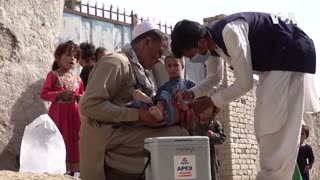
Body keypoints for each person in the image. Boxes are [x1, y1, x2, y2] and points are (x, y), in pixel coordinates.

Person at [170, 12, 318, 180]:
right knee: (263, 124)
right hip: (275, 63)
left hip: (290, 53)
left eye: (190, 55)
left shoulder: (229, 33)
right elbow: (214, 79)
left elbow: (244, 84)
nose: (192, 59)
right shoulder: (212, 46)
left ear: (200, 42)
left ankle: (276, 176)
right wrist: (190, 93)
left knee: (273, 124)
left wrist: (207, 103)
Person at [78, 21, 193, 180]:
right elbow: (88, 106)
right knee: (178, 137)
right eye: (158, 53)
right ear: (147, 42)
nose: (159, 59)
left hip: (123, 133)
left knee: (182, 133)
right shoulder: (116, 62)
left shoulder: (140, 71)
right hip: (106, 138)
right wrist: (137, 115)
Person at [40, 40, 84, 175]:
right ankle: (58, 171)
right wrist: (59, 94)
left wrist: (81, 98)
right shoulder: (53, 75)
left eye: (75, 56)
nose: (73, 59)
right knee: (60, 140)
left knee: (74, 140)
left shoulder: (78, 79)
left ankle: (73, 171)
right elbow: (44, 94)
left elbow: (82, 94)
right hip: (59, 115)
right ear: (58, 58)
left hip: (75, 115)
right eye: (68, 55)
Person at [131, 54, 196, 127]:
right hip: (165, 116)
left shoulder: (190, 84)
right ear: (166, 68)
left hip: (180, 115)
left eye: (176, 65)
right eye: (169, 66)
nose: (172, 68)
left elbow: (195, 103)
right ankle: (147, 101)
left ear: (182, 67)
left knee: (164, 94)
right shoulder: (162, 88)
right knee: (137, 103)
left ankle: (152, 104)